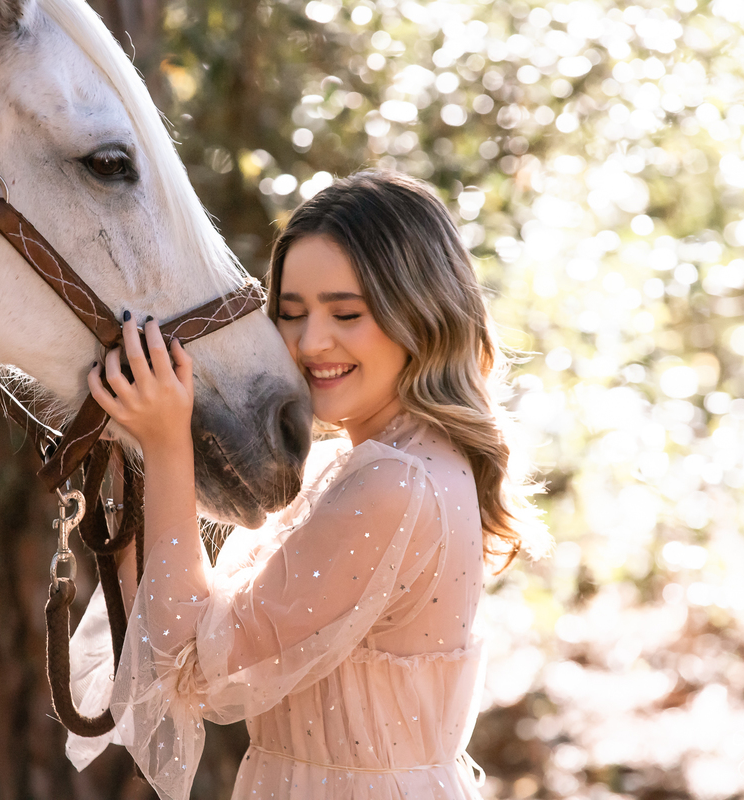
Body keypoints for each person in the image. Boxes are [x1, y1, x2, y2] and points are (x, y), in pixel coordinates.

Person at [64, 171, 549, 800]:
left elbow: (187, 668)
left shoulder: (393, 485)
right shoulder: (361, 465)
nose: (312, 342)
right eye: (290, 315)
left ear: (421, 311)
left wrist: (165, 443)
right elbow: (176, 627)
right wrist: (138, 449)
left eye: (346, 313)